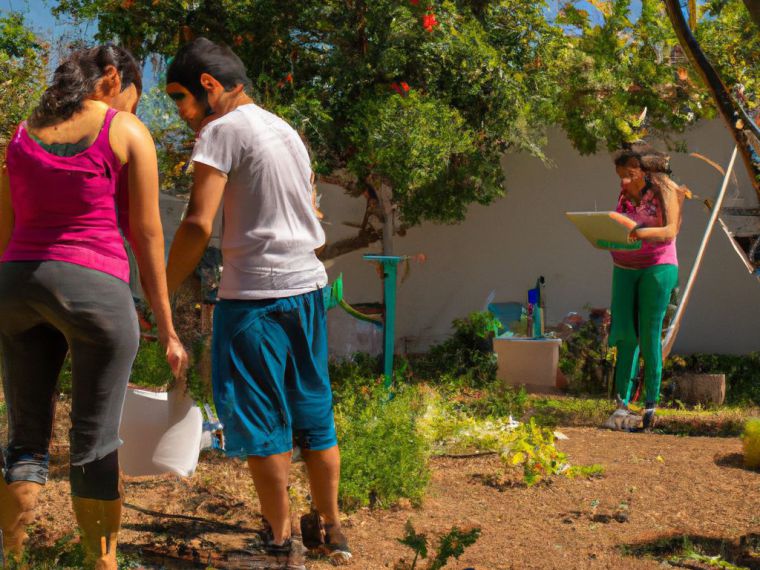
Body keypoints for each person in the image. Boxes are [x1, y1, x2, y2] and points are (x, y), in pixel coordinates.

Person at [164, 37, 351, 568]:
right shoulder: (284, 129)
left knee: (264, 419)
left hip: (255, 298)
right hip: (308, 288)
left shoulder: (221, 131)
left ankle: (277, 542)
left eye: (179, 97)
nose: (180, 113)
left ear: (209, 85)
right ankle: (331, 530)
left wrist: (161, 284)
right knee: (313, 411)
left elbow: (199, 222)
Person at [0, 45, 188, 569]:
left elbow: (4, 229)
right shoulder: (124, 130)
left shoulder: (21, 133)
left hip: (16, 285)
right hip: (94, 288)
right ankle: (100, 564)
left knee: (25, 442)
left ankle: (12, 561)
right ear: (111, 77)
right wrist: (168, 328)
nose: (134, 107)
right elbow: (148, 233)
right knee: (94, 444)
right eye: (134, 94)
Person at [604, 142, 686, 432]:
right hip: (624, 268)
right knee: (625, 334)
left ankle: (650, 404)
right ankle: (621, 404)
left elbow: (670, 230)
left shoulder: (664, 188)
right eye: (620, 176)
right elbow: (620, 221)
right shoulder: (625, 192)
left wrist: (637, 232)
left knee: (649, 335)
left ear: (643, 169)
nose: (624, 181)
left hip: (658, 266)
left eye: (628, 174)